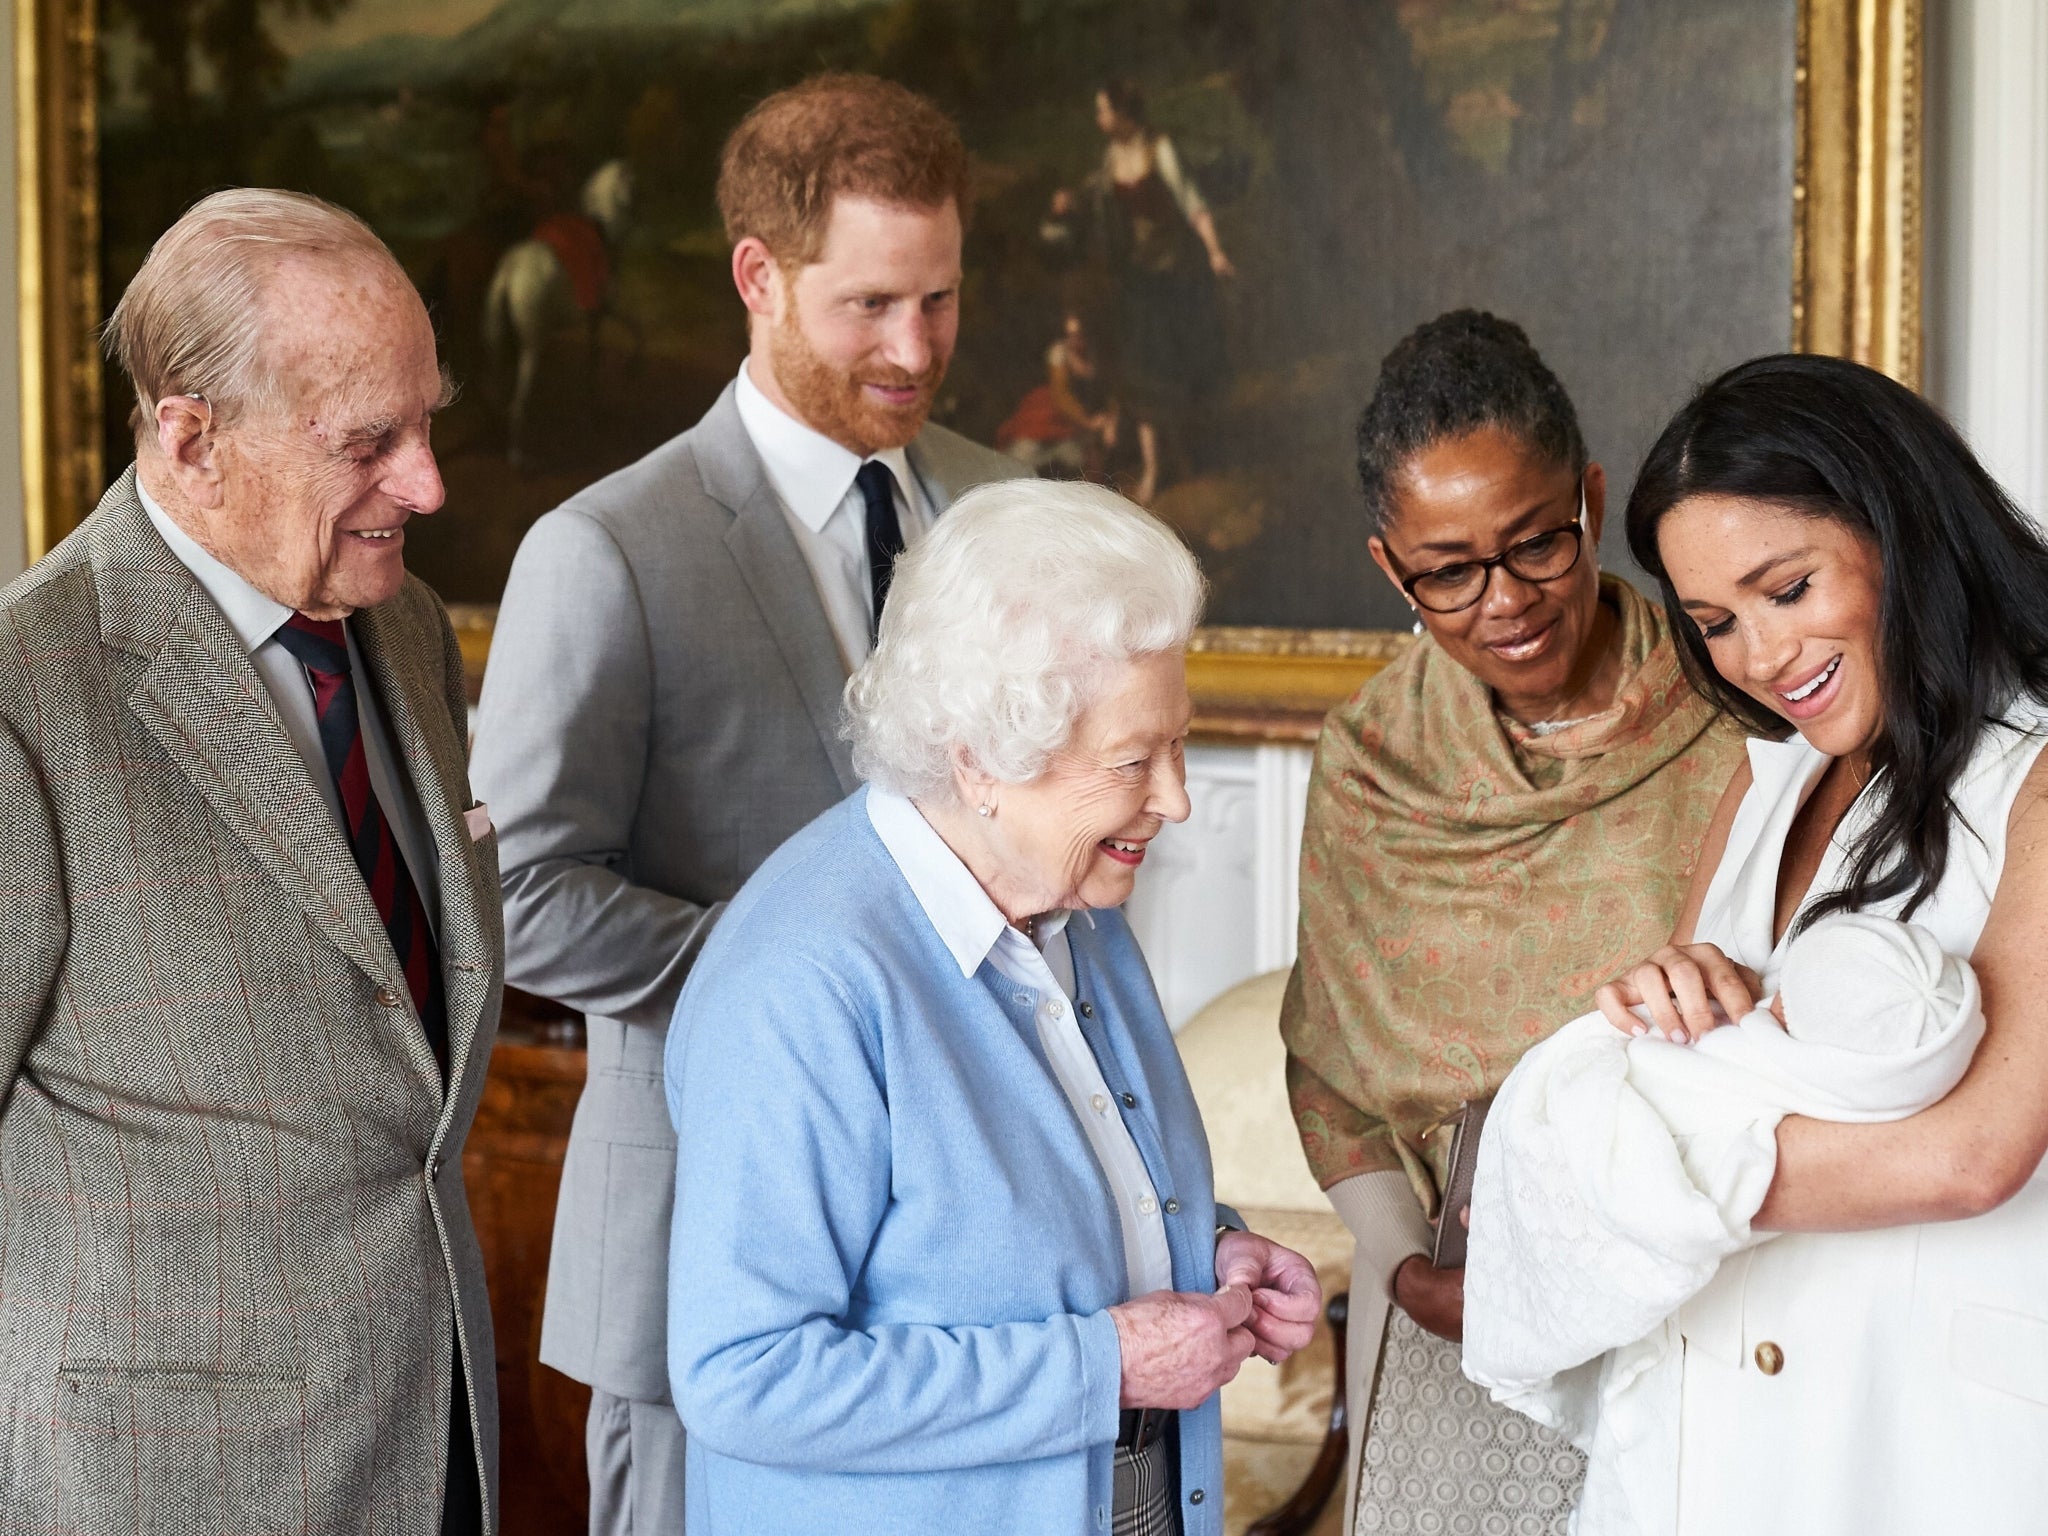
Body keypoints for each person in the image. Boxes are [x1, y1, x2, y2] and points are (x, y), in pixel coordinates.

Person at [470, 72, 1019, 1534]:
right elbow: (518, 898)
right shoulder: (606, 551)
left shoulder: (1005, 506)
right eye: (872, 307)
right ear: (758, 278)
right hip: (704, 1243)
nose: (916, 351)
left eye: (944, 301)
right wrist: (813, 978)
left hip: (975, 1265)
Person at [664, 479, 1320, 1534]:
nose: (1177, 798)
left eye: (1178, 744)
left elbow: (1017, 1233)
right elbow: (745, 1376)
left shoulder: (1074, 899)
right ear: (978, 760)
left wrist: (1208, 1252)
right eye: (1131, 761)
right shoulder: (802, 983)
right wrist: (1102, 1365)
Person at [0, 189, 498, 1532]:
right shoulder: (23, 692)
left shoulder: (408, 638)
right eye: (370, 441)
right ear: (191, 437)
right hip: (165, 1486)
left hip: (435, 1441)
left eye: (428, 423)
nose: (427, 483)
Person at [1570, 351, 2048, 1534]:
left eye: (1786, 588)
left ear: (1898, 527)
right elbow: (1667, 1064)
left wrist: (1631, 1165)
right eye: (1716, 622)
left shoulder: (2032, 776)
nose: (1759, 658)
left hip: (1916, 1431)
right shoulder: (1765, 781)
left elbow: (1974, 1154)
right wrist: (1656, 998)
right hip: (1707, 1410)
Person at [1277, 310, 1745, 1516]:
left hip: (1714, 1263)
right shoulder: (1371, 764)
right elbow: (1331, 1068)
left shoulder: (1738, 711)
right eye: (1448, 571)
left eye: (1536, 543)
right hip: (1456, 1290)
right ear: (1390, 567)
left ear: (1589, 499)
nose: (1506, 601)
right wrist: (1404, 1273)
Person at [1463, 913, 1983, 1535]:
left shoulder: (1767, 1073)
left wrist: (1548, 1190)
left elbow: (1660, 1168)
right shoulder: (1881, 1070)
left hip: (1827, 1378)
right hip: (1695, 1378)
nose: (1770, 1004)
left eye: (1784, 1000)